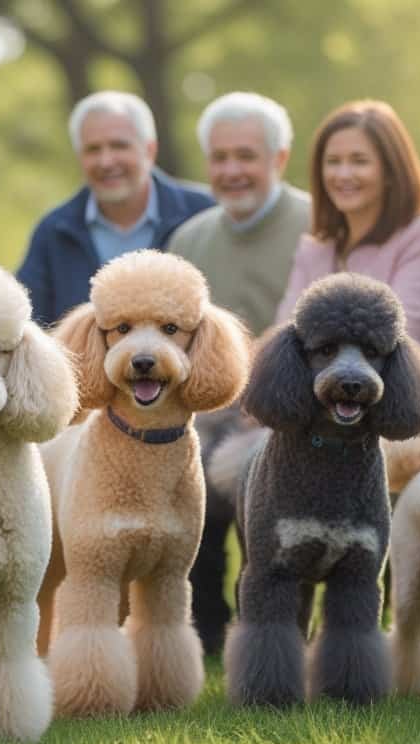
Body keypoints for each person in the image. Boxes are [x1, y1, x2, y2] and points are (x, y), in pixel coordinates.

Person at [167, 91, 310, 655]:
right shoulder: (190, 238)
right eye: (220, 158)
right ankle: (204, 625)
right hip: (208, 409)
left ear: (279, 159)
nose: (231, 171)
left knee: (256, 469)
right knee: (181, 466)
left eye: (246, 156)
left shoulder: (315, 227)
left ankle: (269, 628)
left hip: (290, 411)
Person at [275, 100, 420, 375]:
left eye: (359, 161)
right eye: (333, 162)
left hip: (400, 404)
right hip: (317, 403)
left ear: (390, 172)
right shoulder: (315, 246)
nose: (343, 174)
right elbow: (284, 337)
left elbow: (395, 340)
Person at [18, 90, 213, 325]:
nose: (106, 162)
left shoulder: (204, 215)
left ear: (149, 151)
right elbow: (29, 326)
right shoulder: (54, 232)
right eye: (93, 149)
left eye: (119, 146)